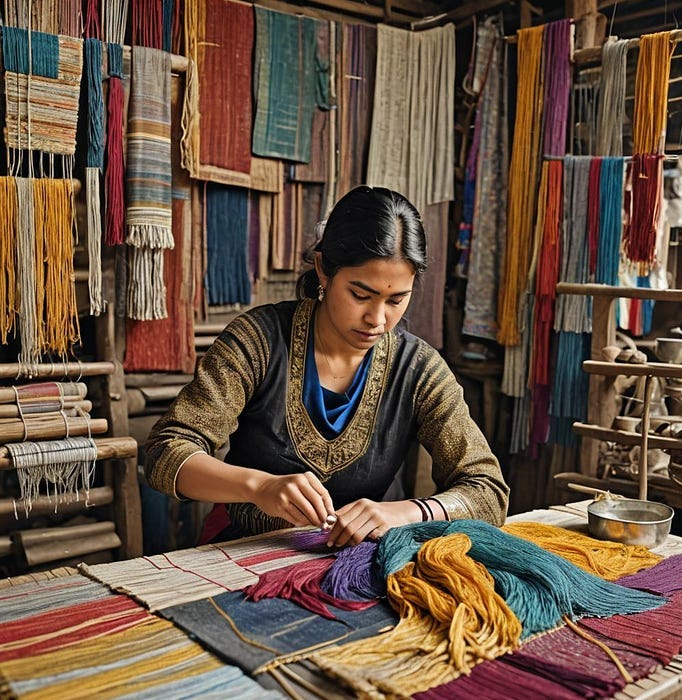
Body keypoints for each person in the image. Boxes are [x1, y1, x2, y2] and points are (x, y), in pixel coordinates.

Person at [144, 185, 509, 548]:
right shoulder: (258, 341)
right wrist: (260, 487)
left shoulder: (418, 370)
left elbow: (487, 490)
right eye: (360, 295)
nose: (377, 319)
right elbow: (166, 451)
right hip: (248, 551)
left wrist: (407, 512)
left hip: (357, 561)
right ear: (323, 269)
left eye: (397, 300)